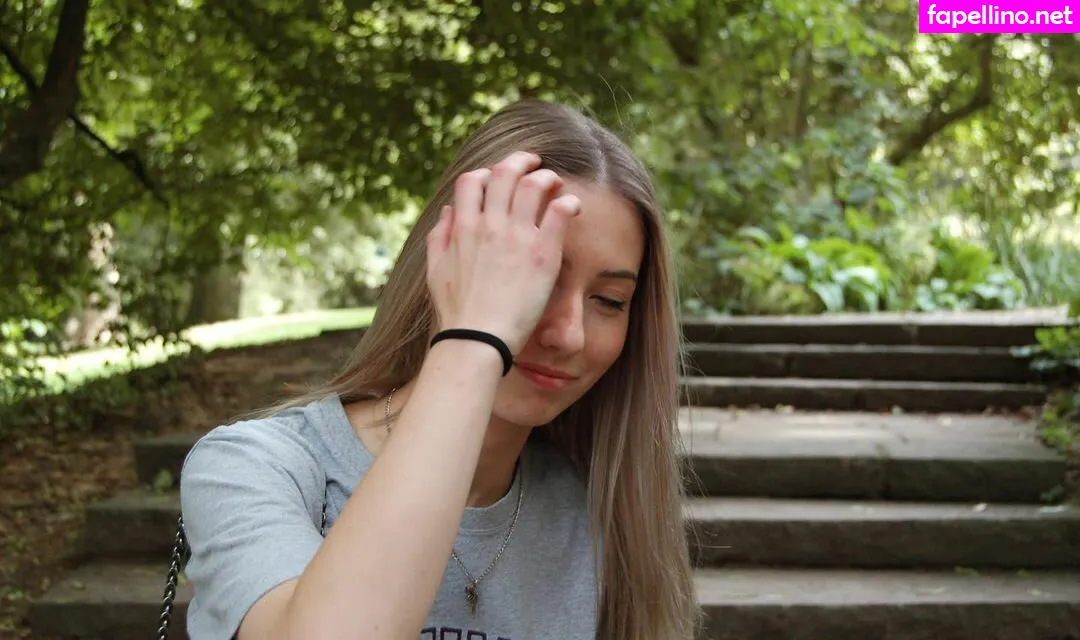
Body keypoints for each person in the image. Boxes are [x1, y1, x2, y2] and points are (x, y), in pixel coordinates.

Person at [179, 99, 700, 640]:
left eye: (610, 301)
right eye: (536, 276)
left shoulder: (598, 511)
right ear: (448, 263)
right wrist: (475, 336)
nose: (569, 334)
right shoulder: (257, 468)